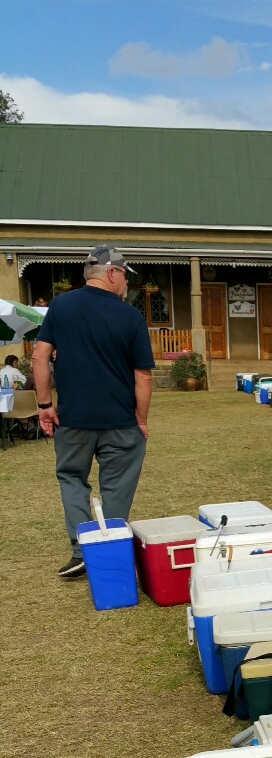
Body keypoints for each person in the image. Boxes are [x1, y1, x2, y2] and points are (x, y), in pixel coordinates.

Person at [33, 245, 154, 579]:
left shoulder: (61, 306)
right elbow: (142, 376)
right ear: (112, 274)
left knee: (72, 479)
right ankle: (108, 549)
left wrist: (45, 406)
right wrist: (141, 420)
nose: (126, 285)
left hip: (73, 421)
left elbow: (39, 357)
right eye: (125, 277)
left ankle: (80, 550)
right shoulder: (130, 316)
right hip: (120, 422)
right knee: (116, 487)